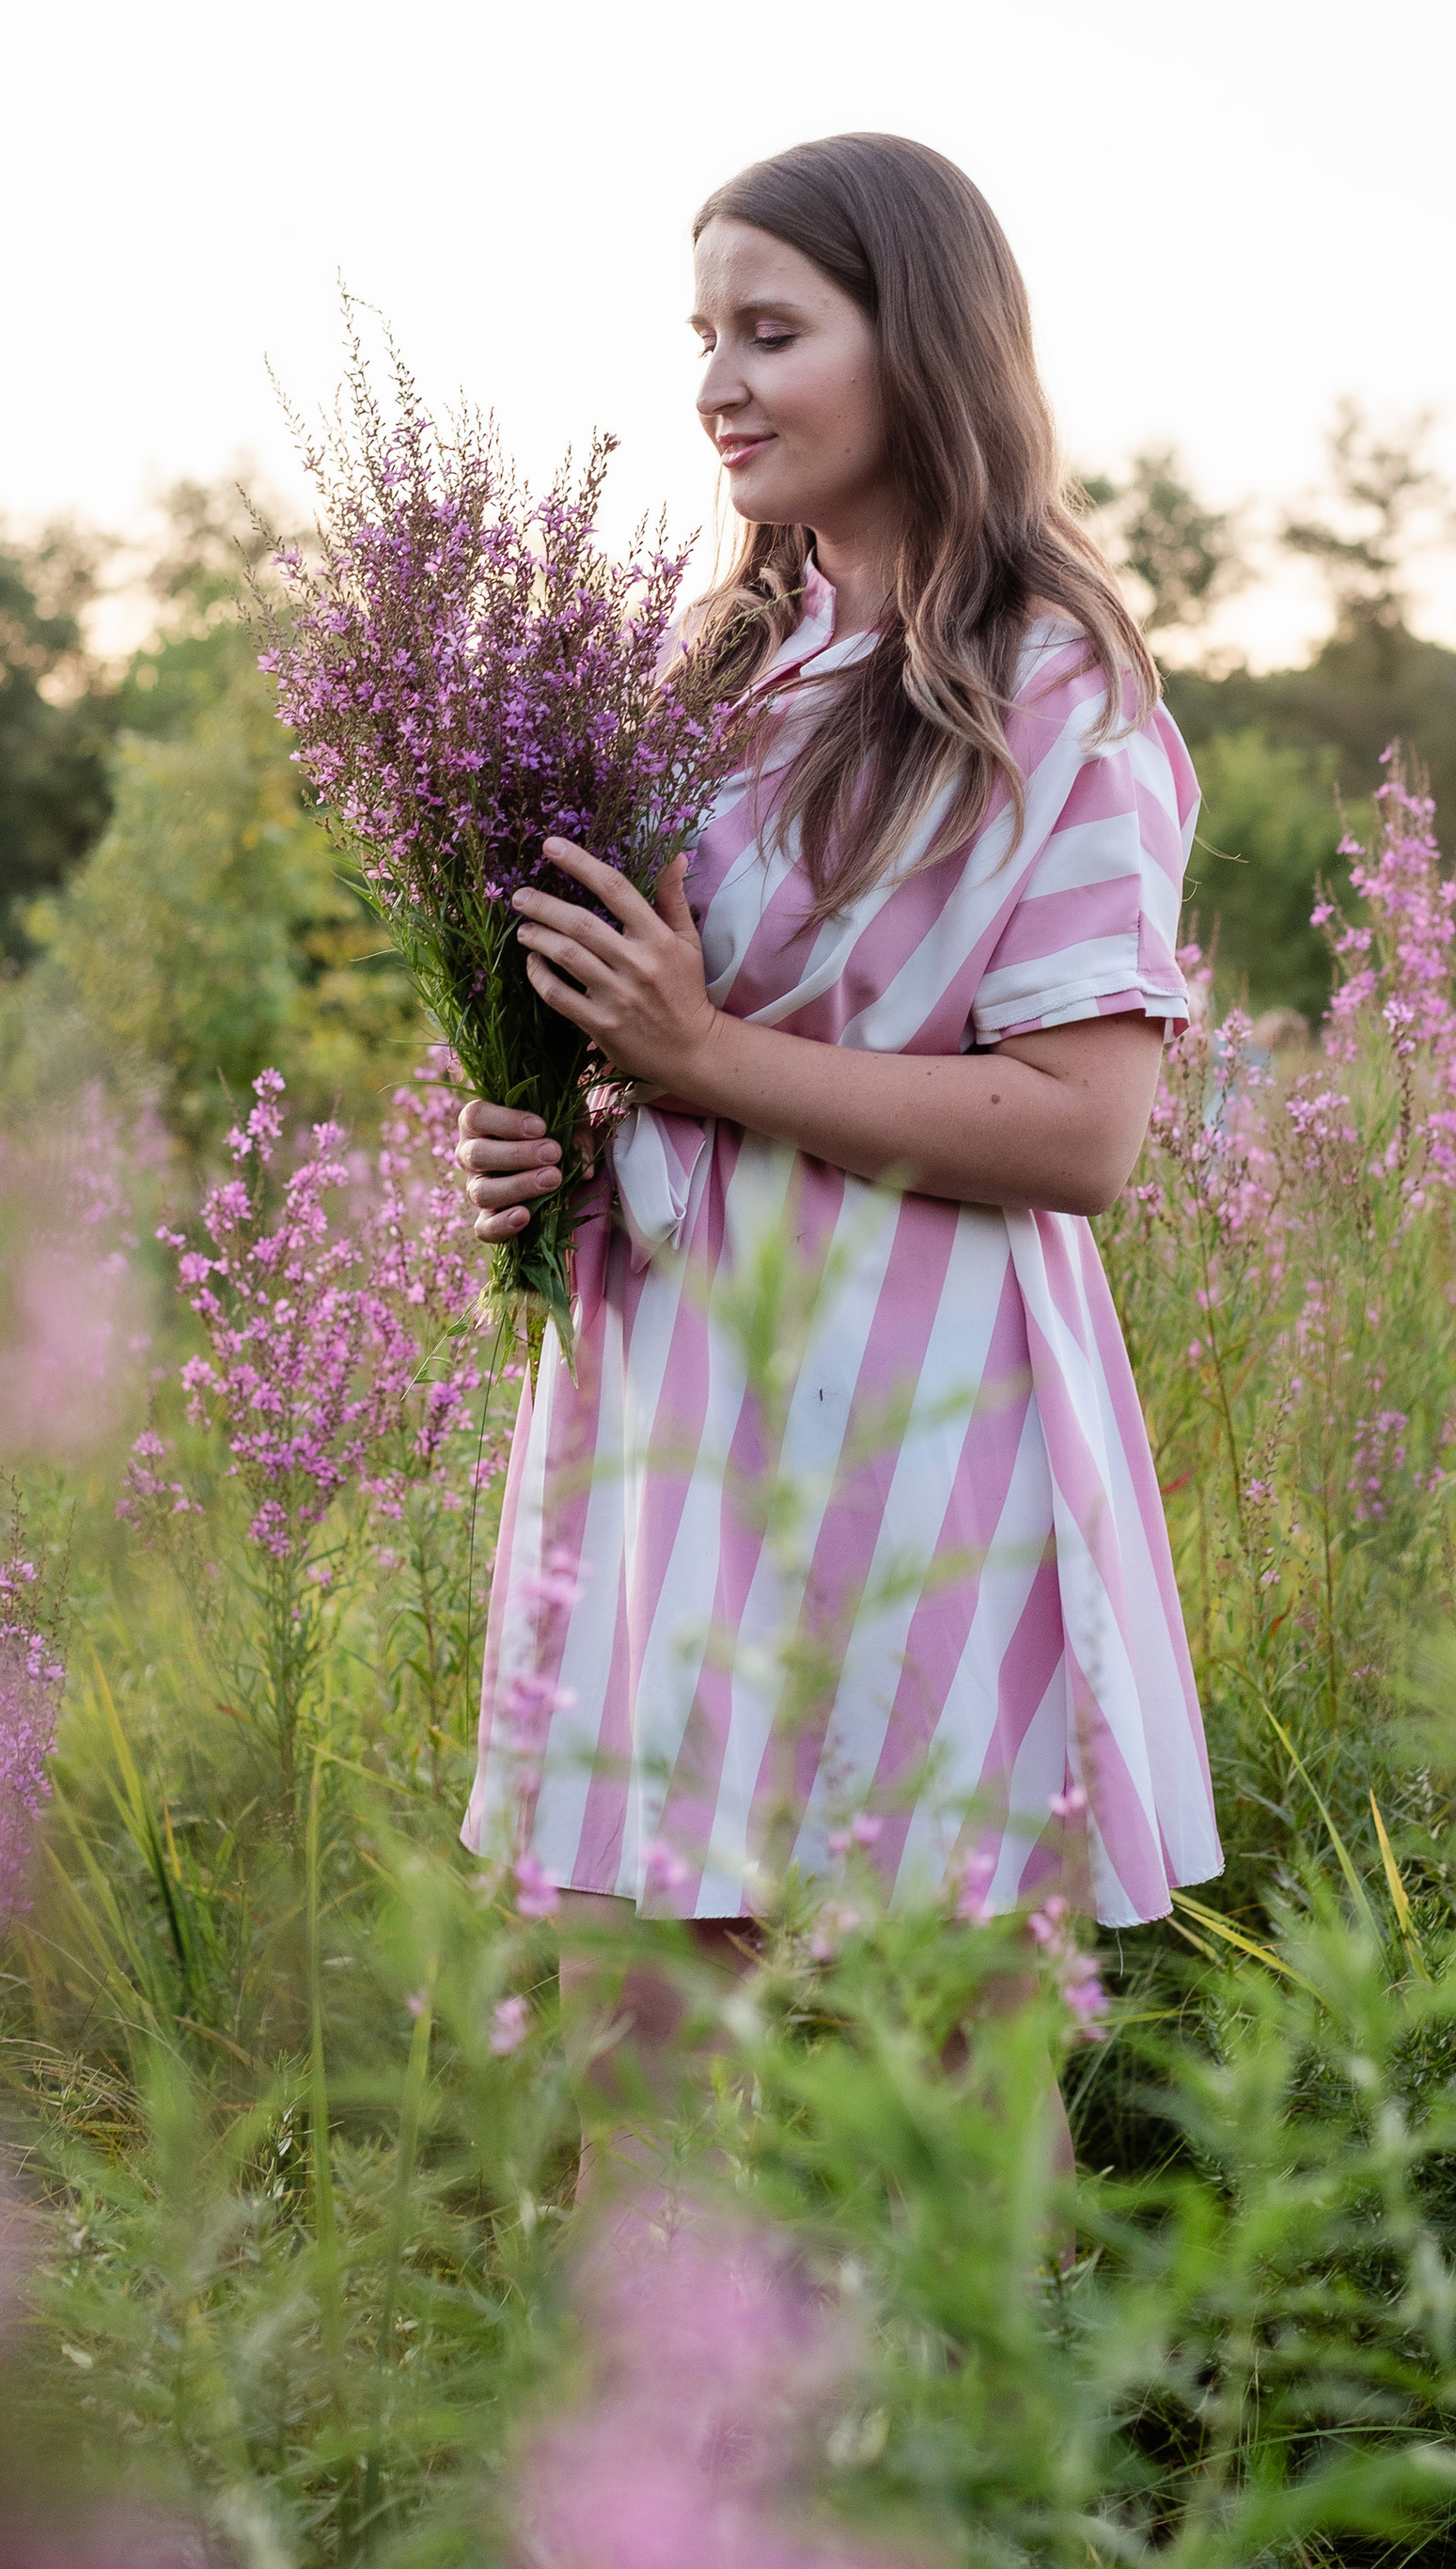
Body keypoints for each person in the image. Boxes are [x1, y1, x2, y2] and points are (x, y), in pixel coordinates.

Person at [453, 132, 1221, 2174]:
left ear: (924, 346)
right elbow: (644, 1040)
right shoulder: (717, 674)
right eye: (701, 332)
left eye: (770, 330)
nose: (716, 380)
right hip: (668, 1382)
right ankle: (669, 2477)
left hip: (921, 1407)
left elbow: (1079, 1132)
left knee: (945, 2048)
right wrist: (561, 1128)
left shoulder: (1055, 690)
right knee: (638, 2005)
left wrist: (700, 1056)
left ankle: (985, 2488)